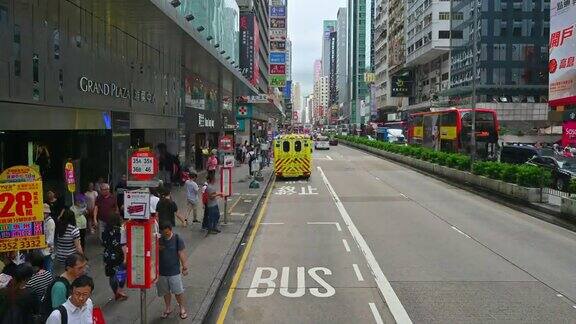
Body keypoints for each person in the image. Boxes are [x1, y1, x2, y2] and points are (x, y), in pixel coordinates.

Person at [157, 222, 188, 320]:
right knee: (165, 292)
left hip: (174, 271)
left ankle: (182, 308)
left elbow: (181, 253)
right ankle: (168, 308)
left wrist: (184, 267)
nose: (165, 235)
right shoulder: (159, 239)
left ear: (170, 230)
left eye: (166, 233)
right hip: (161, 272)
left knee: (178, 291)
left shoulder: (177, 239)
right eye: (163, 233)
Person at [102, 213, 128, 301]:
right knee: (121, 273)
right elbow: (123, 245)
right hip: (118, 255)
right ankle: (120, 290)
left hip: (108, 255)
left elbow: (104, 243)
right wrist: (125, 257)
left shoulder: (105, 230)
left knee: (111, 274)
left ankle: (115, 292)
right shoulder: (121, 230)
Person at [42, 202, 56, 273]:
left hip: (48, 248)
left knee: (48, 268)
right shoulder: (44, 221)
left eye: (44, 213)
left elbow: (50, 236)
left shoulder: (50, 222)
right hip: (44, 248)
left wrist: (45, 244)